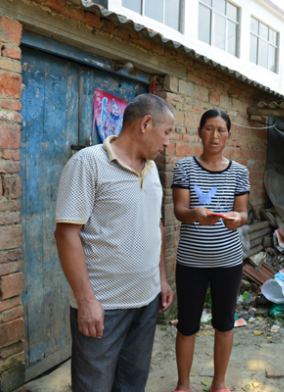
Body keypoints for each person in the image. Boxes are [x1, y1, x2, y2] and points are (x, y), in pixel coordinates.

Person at [54, 93, 175, 392]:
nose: (168, 142)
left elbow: (155, 226)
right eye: (167, 132)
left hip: (146, 302)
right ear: (146, 124)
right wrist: (86, 301)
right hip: (103, 306)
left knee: (132, 384)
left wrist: (161, 279)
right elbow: (66, 233)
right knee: (94, 387)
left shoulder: (151, 169)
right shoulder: (88, 163)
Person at [171, 109, 250, 392]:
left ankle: (219, 383)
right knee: (187, 325)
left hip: (228, 262)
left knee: (225, 323)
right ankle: (183, 385)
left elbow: (243, 213)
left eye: (221, 130)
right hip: (191, 262)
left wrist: (236, 220)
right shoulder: (184, 167)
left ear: (229, 134)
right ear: (199, 132)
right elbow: (180, 210)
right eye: (208, 129)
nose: (214, 136)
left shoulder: (240, 172)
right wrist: (195, 214)